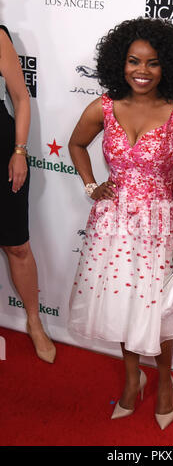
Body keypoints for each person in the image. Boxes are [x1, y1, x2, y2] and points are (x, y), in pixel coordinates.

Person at [68, 17, 173, 429]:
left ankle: (164, 382)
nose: (141, 71)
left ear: (169, 67)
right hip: (113, 225)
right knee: (124, 308)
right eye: (133, 61)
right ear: (119, 63)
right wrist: (92, 186)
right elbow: (75, 144)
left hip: (160, 226)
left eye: (153, 63)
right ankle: (132, 378)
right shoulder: (103, 108)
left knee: (157, 313)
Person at [0, 25, 56, 363]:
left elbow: (20, 98)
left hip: (1, 148)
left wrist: (19, 151)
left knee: (17, 244)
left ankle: (34, 321)